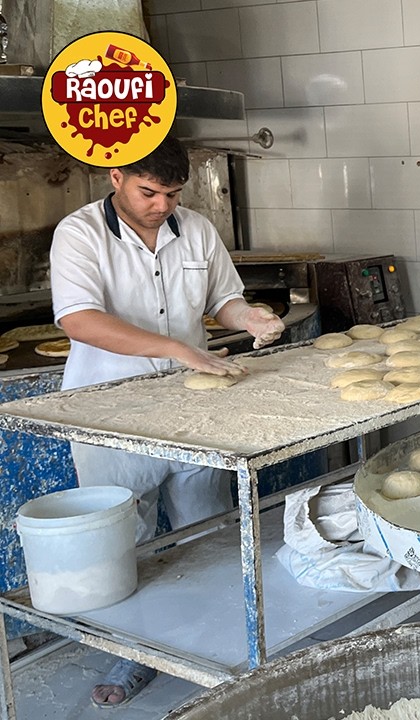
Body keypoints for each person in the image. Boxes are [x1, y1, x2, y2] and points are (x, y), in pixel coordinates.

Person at [49, 135, 285, 707]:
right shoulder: (80, 234)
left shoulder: (196, 230)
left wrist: (248, 317)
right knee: (123, 541)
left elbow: (223, 300)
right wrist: (179, 349)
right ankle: (131, 653)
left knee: (206, 528)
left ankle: (208, 641)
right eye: (149, 192)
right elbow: (79, 320)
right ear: (115, 177)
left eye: (173, 194)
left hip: (191, 408)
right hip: (109, 415)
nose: (162, 206)